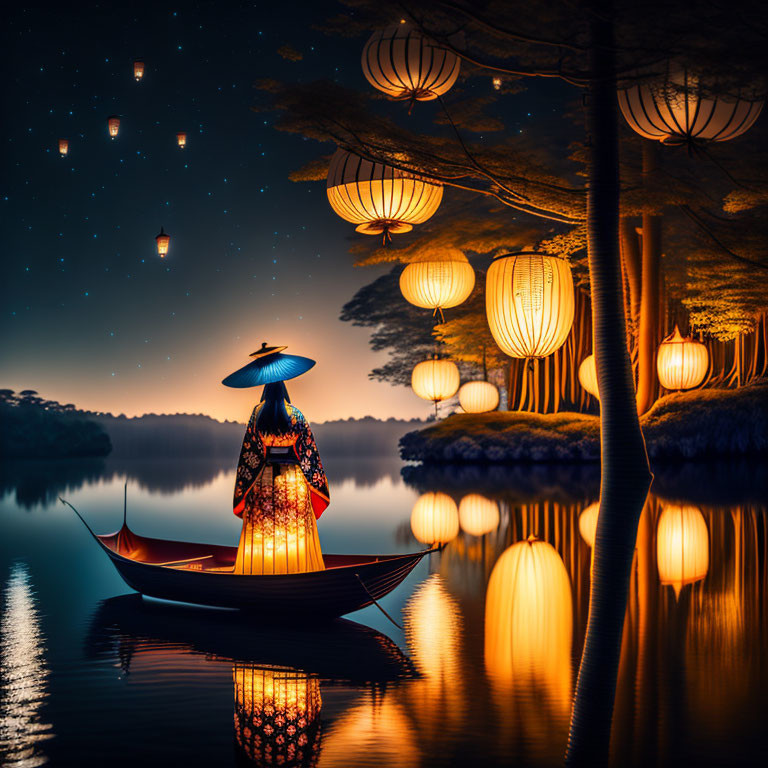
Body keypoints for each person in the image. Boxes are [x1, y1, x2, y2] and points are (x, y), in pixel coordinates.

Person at [223, 344, 329, 575]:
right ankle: (294, 570)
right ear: (284, 388)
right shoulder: (296, 414)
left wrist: (245, 484)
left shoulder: (257, 414)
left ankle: (263, 571)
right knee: (292, 530)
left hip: (263, 479)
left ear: (265, 389)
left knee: (265, 529)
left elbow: (249, 453)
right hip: (294, 482)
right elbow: (309, 453)